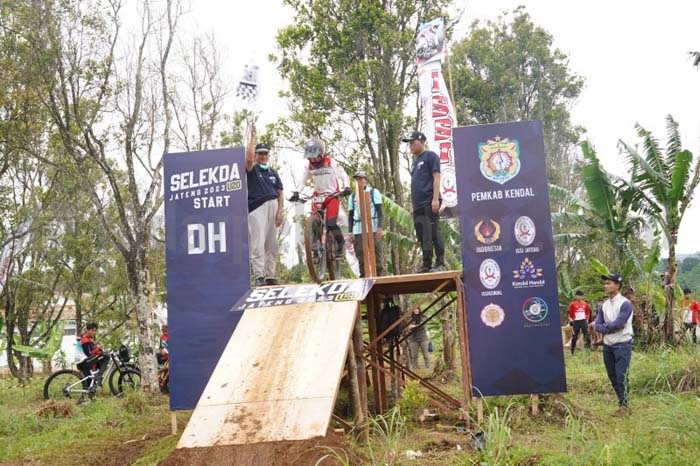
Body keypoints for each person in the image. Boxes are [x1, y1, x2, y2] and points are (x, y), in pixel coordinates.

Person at [289, 137, 351, 258]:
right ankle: (315, 247)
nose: (312, 159)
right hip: (317, 197)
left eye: (314, 156)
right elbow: (302, 182)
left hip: (331, 196)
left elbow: (343, 175)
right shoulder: (309, 166)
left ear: (321, 153)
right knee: (313, 221)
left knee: (331, 223)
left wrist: (347, 186)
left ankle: (340, 243)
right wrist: (296, 192)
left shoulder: (330, 162)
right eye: (310, 156)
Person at [246, 124, 284, 286]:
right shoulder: (252, 169)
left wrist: (280, 211)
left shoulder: (273, 172)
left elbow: (281, 192)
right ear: (256, 155)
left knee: (272, 244)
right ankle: (259, 275)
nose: (263, 156)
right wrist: (253, 137)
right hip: (257, 208)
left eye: (265, 154)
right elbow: (247, 159)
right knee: (258, 242)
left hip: (273, 206)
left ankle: (270, 275)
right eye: (260, 153)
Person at [403, 131, 445, 273]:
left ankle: (440, 263)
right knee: (422, 236)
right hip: (418, 205)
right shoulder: (415, 163)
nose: (410, 146)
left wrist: (435, 199)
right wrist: (412, 206)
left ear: (421, 141)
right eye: (409, 143)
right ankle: (426, 264)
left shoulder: (431, 156)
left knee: (433, 232)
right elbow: (415, 185)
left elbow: (436, 178)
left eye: (412, 142)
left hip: (429, 201)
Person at [594, 273, 634, 416]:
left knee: (621, 375)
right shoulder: (604, 305)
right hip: (608, 346)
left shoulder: (625, 303)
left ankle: (624, 405)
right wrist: (609, 328)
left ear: (617, 285)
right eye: (605, 283)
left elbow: (620, 323)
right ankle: (623, 402)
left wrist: (606, 327)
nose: (606, 285)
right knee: (612, 375)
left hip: (622, 345)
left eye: (609, 283)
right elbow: (597, 325)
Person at [347, 170, 385, 277]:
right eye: (357, 179)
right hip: (358, 228)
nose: (359, 181)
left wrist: (379, 227)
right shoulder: (353, 196)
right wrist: (350, 232)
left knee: (376, 253)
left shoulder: (373, 192)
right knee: (360, 254)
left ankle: (379, 276)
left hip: (372, 226)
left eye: (361, 179)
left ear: (366, 180)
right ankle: (363, 277)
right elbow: (350, 215)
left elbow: (379, 211)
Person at [79, 322, 108, 390]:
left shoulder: (89, 339)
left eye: (95, 331)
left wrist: (98, 349)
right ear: (87, 330)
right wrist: (98, 349)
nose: (94, 332)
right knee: (106, 357)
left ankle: (97, 375)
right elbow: (88, 354)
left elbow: (92, 350)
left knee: (91, 386)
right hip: (83, 362)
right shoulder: (85, 340)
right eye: (92, 330)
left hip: (85, 360)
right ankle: (99, 375)